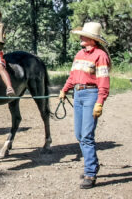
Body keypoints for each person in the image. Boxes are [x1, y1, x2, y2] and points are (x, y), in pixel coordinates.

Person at [59, 22, 111, 189]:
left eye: (84, 35)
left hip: (91, 95)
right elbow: (73, 76)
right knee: (79, 134)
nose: (80, 37)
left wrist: (100, 102)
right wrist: (64, 89)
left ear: (92, 40)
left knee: (87, 135)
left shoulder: (100, 56)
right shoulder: (79, 54)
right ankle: (93, 165)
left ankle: (90, 172)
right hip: (78, 94)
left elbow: (103, 81)